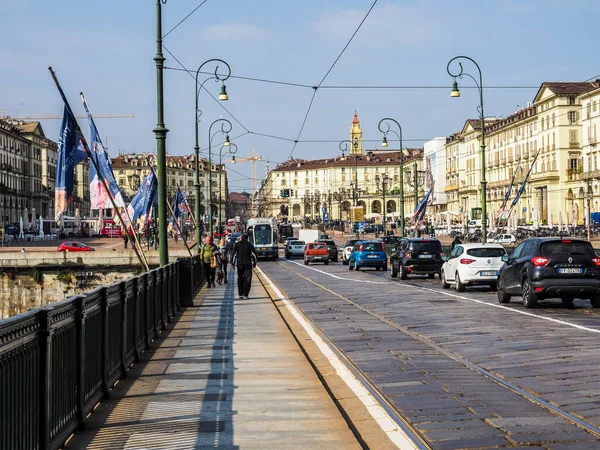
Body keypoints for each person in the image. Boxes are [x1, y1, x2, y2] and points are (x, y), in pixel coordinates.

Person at [231, 233, 257, 299]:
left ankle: (240, 294)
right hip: (248, 264)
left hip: (239, 264)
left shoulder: (237, 245)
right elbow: (254, 255)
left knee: (240, 278)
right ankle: (246, 294)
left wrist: (233, 263)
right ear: (247, 238)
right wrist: (254, 263)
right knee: (247, 279)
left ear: (241, 238)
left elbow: (234, 254)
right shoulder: (249, 245)